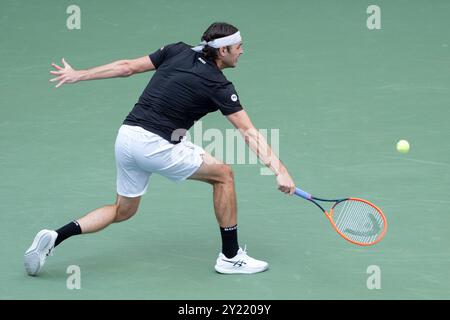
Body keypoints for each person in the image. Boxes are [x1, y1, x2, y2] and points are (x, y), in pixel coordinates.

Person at [24, 22, 296, 276]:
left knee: (123, 210)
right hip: (155, 146)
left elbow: (127, 66)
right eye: (238, 47)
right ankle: (230, 256)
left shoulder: (177, 50)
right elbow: (248, 132)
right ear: (223, 50)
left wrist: (79, 74)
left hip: (127, 137)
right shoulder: (219, 85)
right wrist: (280, 171)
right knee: (224, 175)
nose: (242, 51)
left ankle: (56, 236)